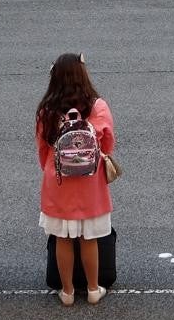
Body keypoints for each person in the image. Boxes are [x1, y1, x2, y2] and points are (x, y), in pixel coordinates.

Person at [35, 53, 114, 307]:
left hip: (58, 180)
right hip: (89, 182)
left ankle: (67, 291)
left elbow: (43, 148)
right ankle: (93, 288)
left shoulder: (47, 110)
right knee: (89, 237)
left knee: (62, 237)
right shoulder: (97, 106)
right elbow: (108, 142)